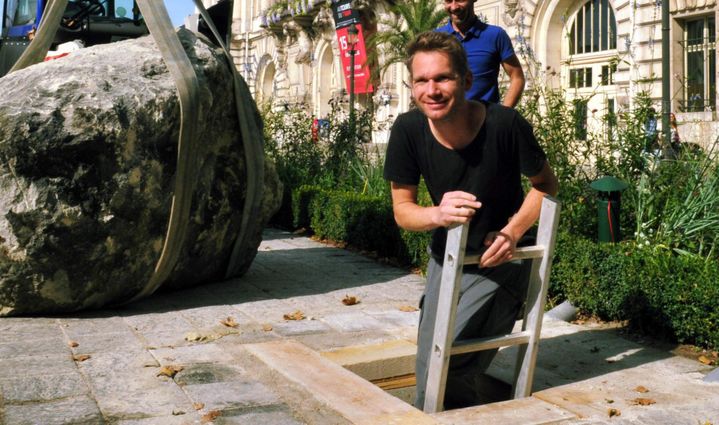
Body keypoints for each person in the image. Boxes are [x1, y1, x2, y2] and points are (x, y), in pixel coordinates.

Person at [383, 31, 558, 410]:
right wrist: (437, 214)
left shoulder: (506, 124)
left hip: (502, 260)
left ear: (466, 81)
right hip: (444, 259)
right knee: (428, 365)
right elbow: (402, 210)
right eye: (421, 80)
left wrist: (512, 233)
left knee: (450, 362)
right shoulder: (408, 130)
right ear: (411, 85)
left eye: (442, 78)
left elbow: (546, 186)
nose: (432, 90)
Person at [436, 0, 525, 107]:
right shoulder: (436, 39)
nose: (454, 7)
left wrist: (503, 115)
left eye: (460, 0)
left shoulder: (495, 35)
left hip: (487, 120)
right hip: (447, 120)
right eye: (449, 1)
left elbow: (517, 77)